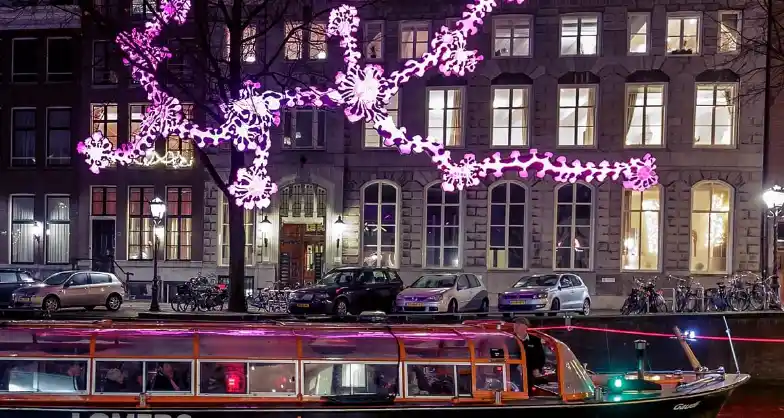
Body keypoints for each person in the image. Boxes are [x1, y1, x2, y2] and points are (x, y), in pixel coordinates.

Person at [512, 317, 546, 389]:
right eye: (514, 325)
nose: (515, 327)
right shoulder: (510, 339)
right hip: (514, 373)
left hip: (530, 373)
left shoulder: (535, 340)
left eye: (518, 325)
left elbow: (541, 357)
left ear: (525, 326)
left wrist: (537, 368)